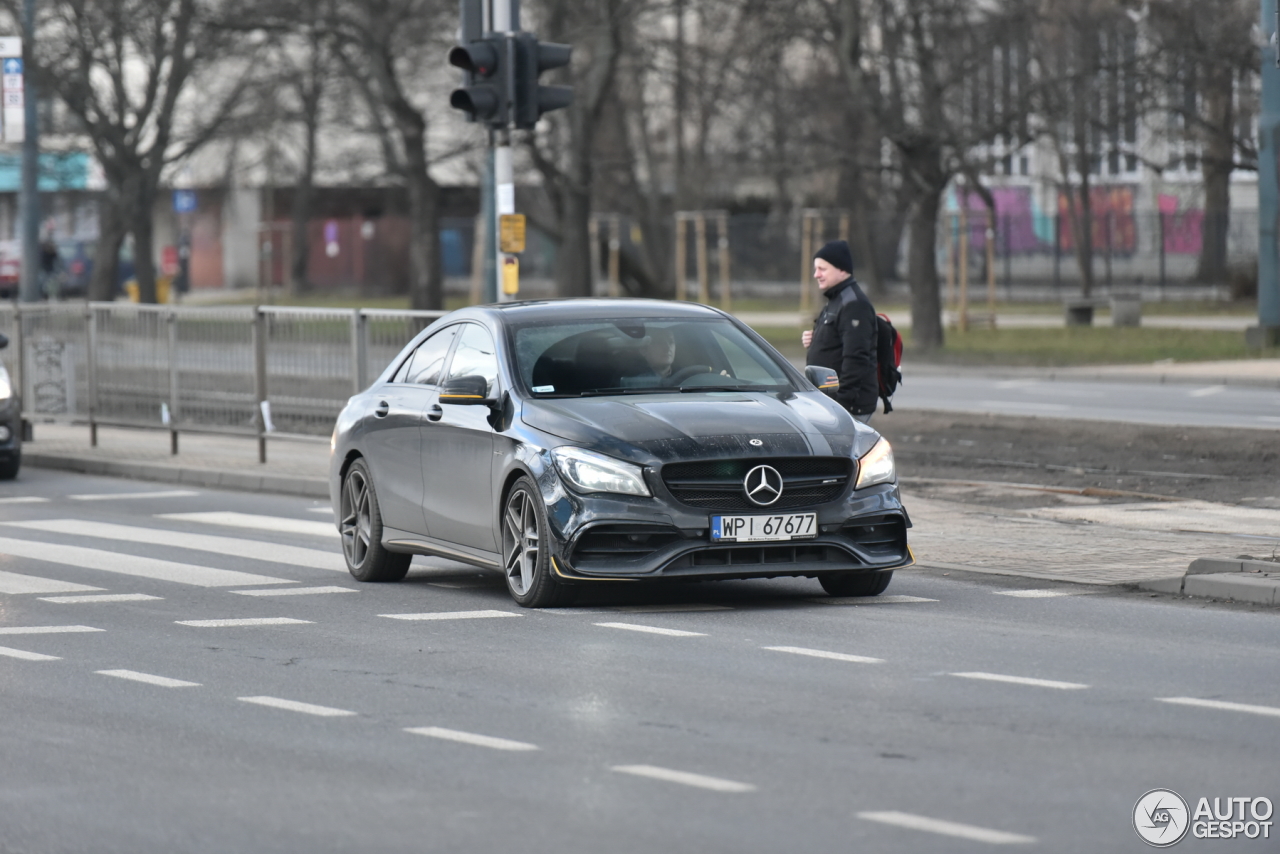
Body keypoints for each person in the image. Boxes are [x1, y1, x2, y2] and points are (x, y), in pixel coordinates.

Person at [800, 240, 878, 423]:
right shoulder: (836, 299)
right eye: (815, 269)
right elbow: (838, 339)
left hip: (847, 406)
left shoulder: (854, 304)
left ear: (842, 269)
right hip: (830, 401)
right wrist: (816, 339)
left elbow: (856, 358)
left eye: (822, 269)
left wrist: (841, 403)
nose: (816, 274)